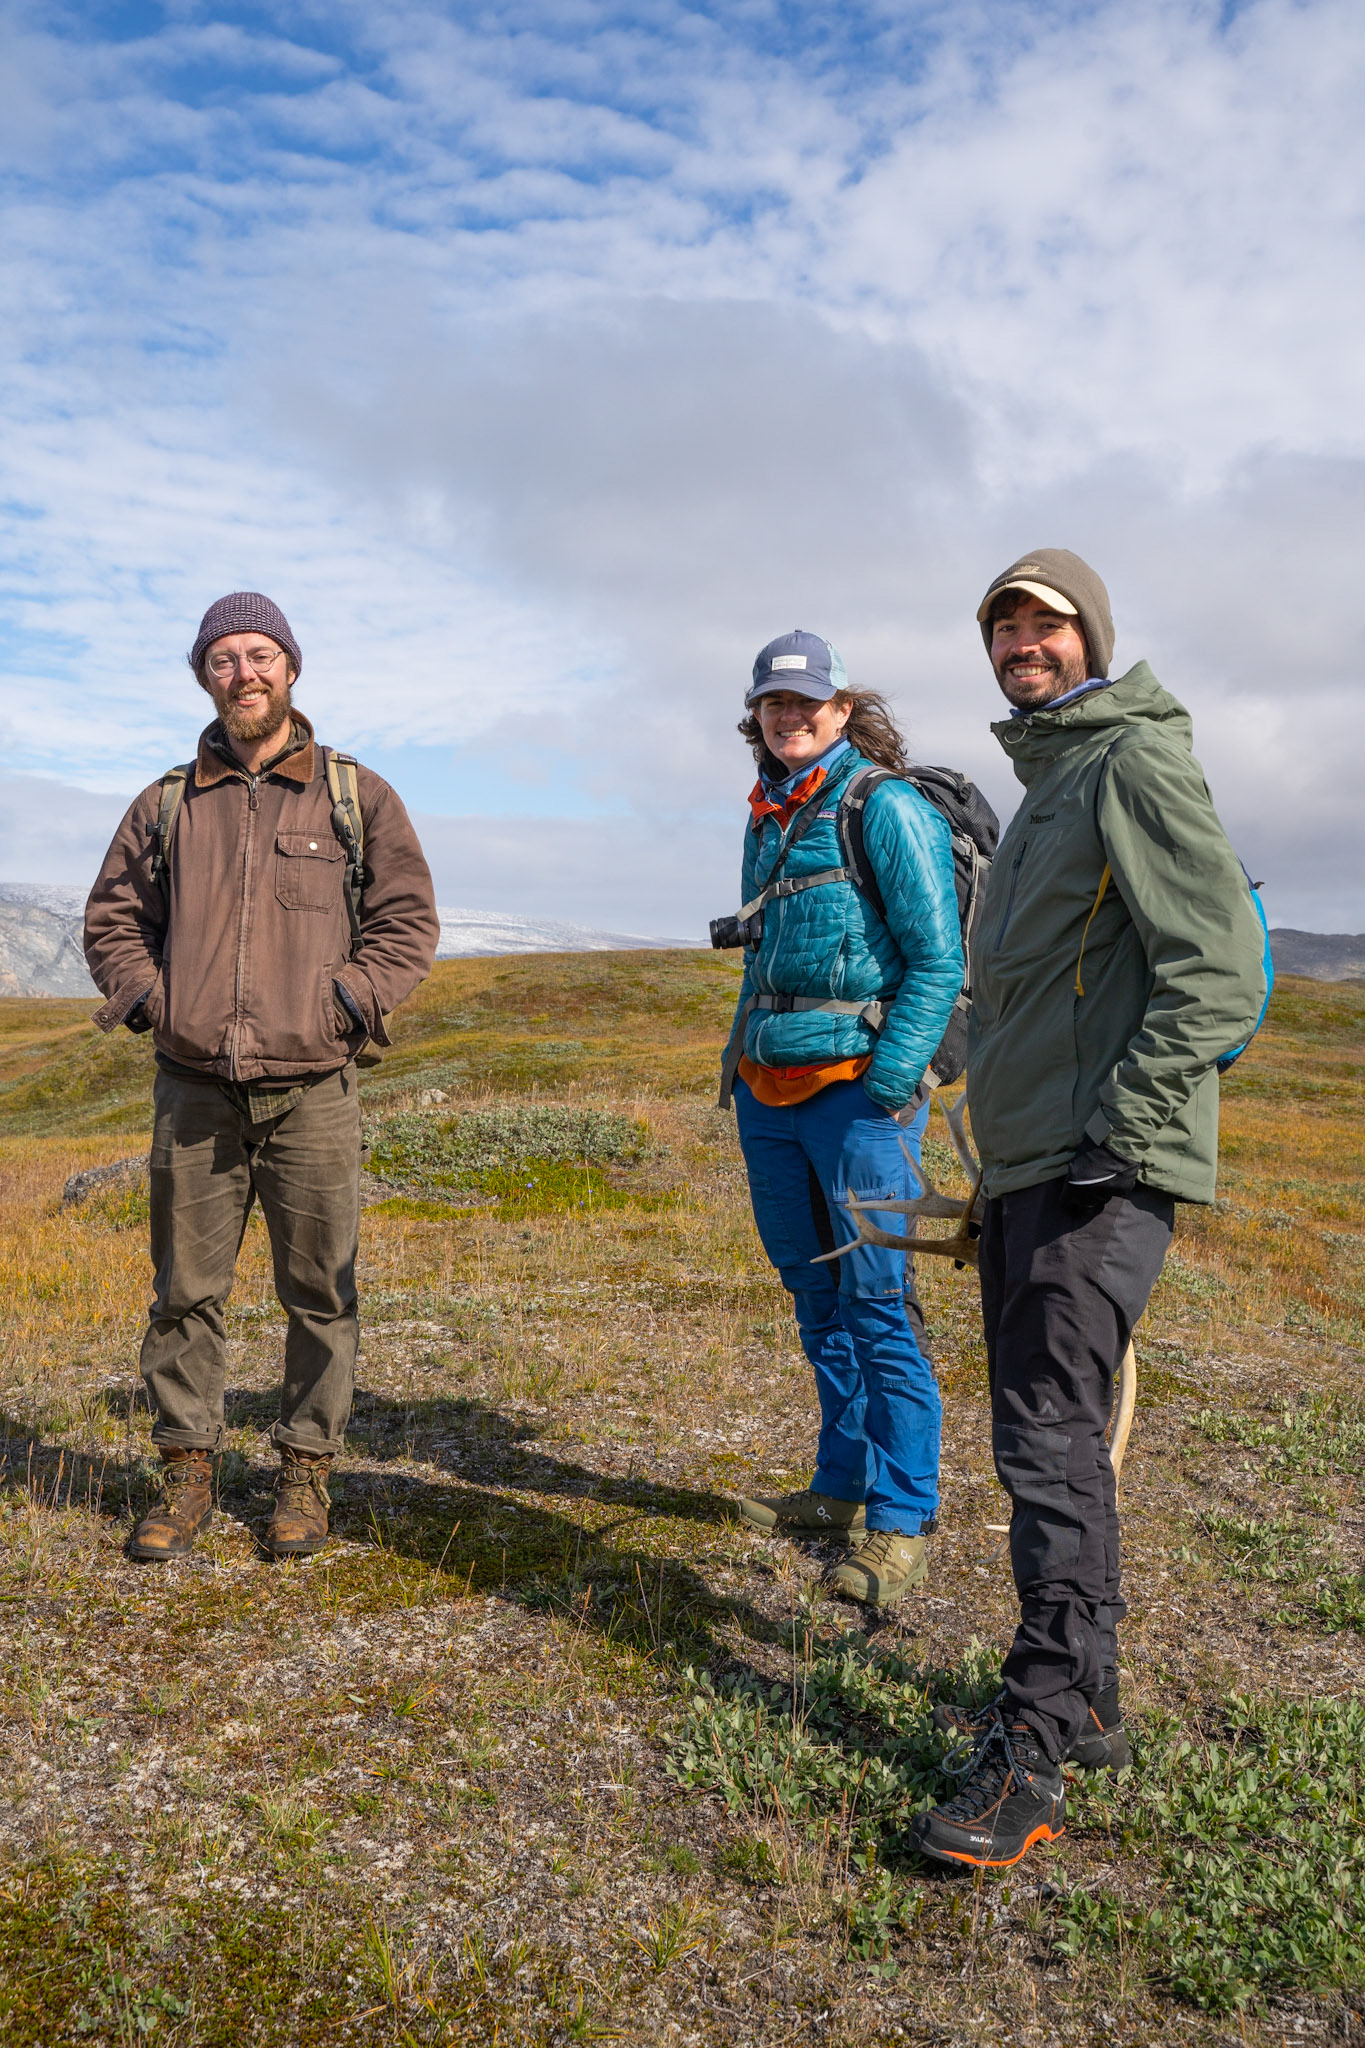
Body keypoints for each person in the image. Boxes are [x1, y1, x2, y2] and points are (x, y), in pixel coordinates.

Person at [909, 549, 1266, 1870]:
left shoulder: (1128, 763)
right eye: (1003, 625)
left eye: (1046, 624)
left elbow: (1217, 966)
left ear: (1090, 640)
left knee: (1047, 1449)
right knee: (1057, 1442)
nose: (1022, 642)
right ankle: (1093, 1691)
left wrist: (1119, 1128)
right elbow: (1024, 1002)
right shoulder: (1054, 786)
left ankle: (1034, 1742)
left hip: (1093, 1173)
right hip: (1029, 1171)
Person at [85, 592, 439, 1563]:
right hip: (194, 1090)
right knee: (184, 1294)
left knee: (321, 1292)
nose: (243, 672)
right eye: (224, 659)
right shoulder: (167, 802)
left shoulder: (354, 796)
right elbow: (112, 919)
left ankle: (303, 1476)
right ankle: (187, 1472)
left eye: (260, 654)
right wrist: (159, 1005)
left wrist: (343, 1005)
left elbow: (407, 922)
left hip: (314, 1090)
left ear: (291, 666)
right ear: (204, 675)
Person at [721, 629, 965, 1610]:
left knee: (878, 1304)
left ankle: (902, 1518)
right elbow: (759, 953)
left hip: (860, 1097)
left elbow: (935, 960)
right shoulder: (766, 814)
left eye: (806, 703)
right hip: (769, 1096)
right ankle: (838, 1486)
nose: (790, 716)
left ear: (840, 709)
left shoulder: (885, 805)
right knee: (812, 1297)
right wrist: (739, 1067)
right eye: (774, 704)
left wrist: (888, 1081)